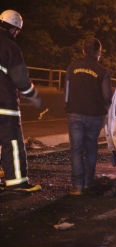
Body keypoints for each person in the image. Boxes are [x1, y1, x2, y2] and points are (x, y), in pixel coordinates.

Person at [0, 10, 42, 192]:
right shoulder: (10, 46)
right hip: (4, 104)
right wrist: (31, 94)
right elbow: (19, 77)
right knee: (12, 142)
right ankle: (16, 182)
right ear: (14, 29)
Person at [64, 37, 112, 196]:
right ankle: (88, 181)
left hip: (75, 113)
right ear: (99, 53)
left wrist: (69, 106)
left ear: (83, 51)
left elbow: (67, 92)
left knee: (76, 149)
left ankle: (77, 186)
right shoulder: (103, 71)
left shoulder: (71, 68)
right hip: (94, 115)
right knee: (91, 147)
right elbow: (107, 97)